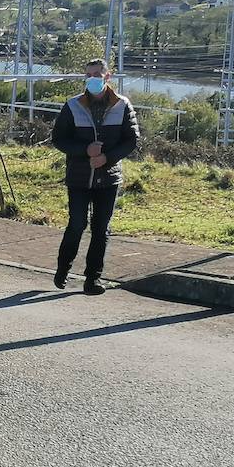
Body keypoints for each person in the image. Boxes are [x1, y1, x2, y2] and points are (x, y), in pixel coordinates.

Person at [51, 59, 140, 295]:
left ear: (107, 76)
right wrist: (85, 150)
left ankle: (93, 279)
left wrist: (107, 158)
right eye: (89, 75)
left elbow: (131, 140)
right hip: (79, 178)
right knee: (77, 224)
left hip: (109, 179)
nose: (93, 79)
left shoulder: (122, 105)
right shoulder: (73, 105)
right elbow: (59, 138)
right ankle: (63, 269)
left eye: (97, 74)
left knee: (101, 229)